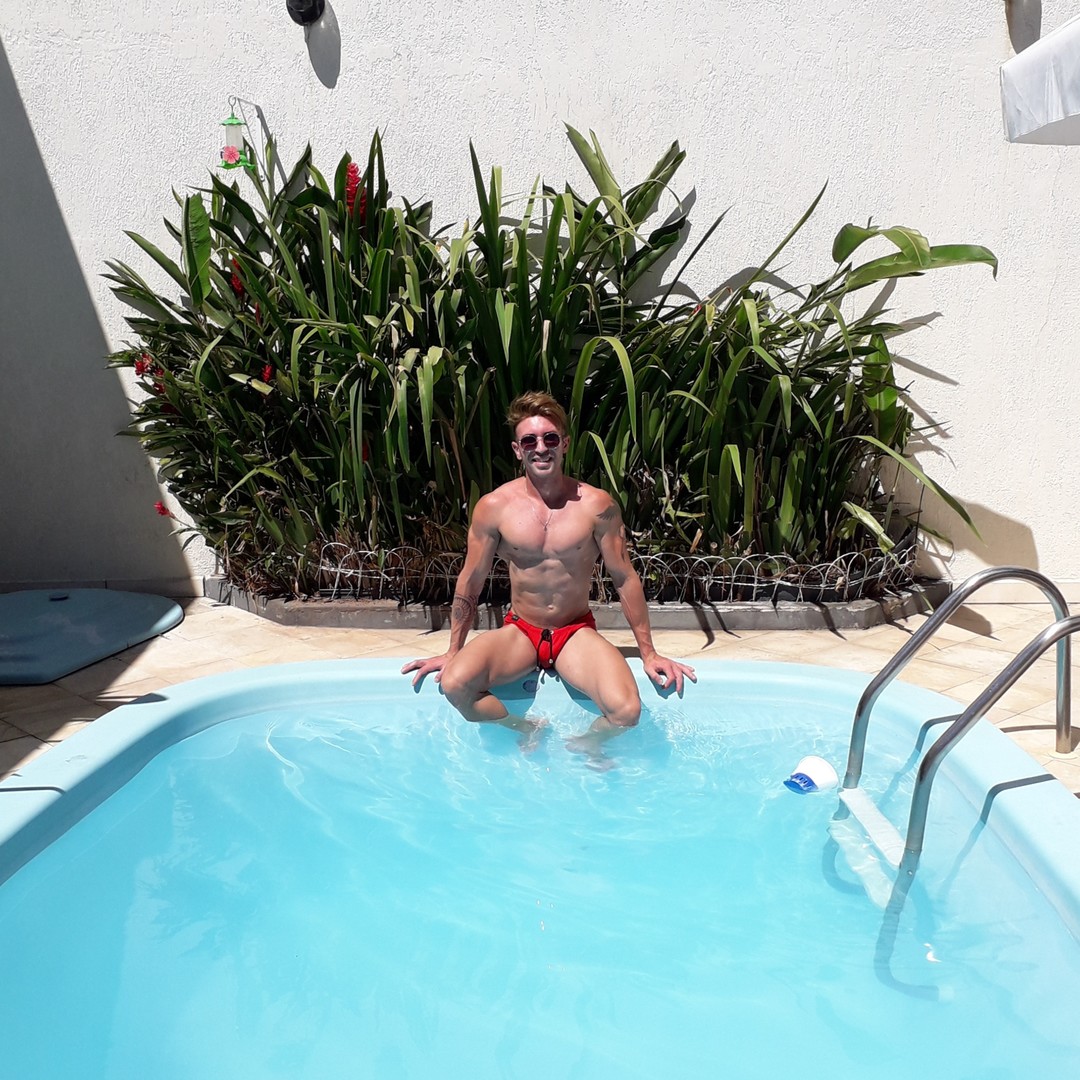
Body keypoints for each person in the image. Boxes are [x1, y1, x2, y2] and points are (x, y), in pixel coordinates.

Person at [402, 391, 695, 761]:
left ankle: (589, 742)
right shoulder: (494, 507)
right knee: (455, 684)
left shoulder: (597, 505)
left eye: (550, 438)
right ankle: (523, 728)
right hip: (521, 632)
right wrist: (452, 651)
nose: (540, 448)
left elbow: (624, 577)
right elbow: (471, 579)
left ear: (564, 444)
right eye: (530, 441)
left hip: (575, 633)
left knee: (627, 711)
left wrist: (649, 654)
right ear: (517, 450)